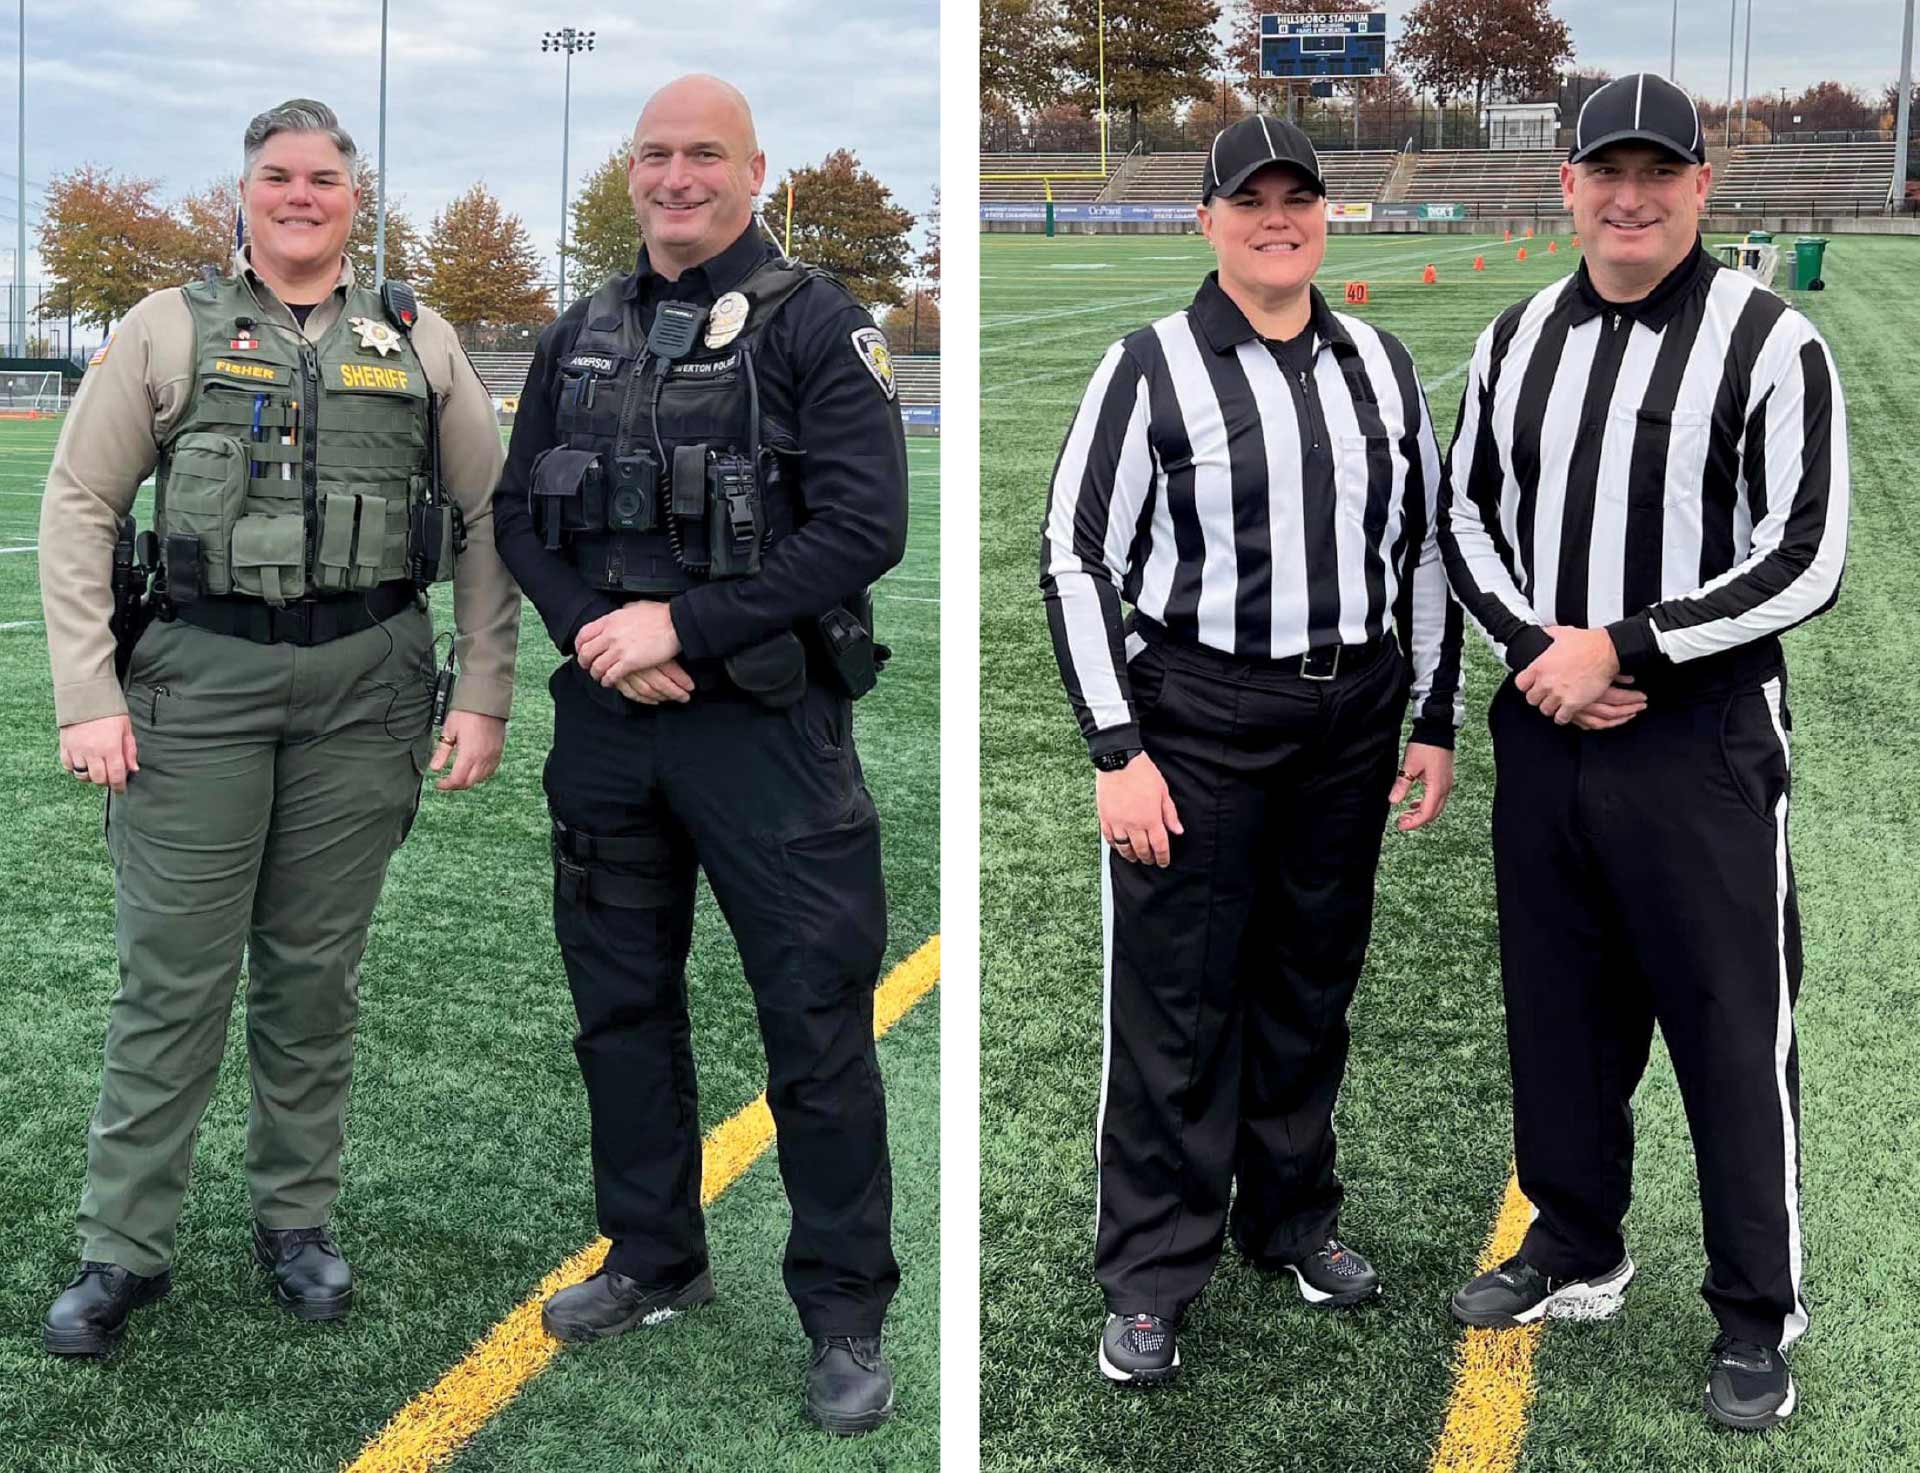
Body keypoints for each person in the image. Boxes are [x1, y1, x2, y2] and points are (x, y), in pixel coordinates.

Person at [37, 99, 520, 1357]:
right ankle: (123, 1247)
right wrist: (89, 693)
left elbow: (487, 517)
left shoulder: (418, 337)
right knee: (172, 982)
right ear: (243, 193)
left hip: (367, 689)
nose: (300, 196)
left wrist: (483, 688)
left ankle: (295, 1223)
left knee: (314, 980)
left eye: (323, 179)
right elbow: (82, 502)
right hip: (196, 686)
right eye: (276, 177)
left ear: (357, 199)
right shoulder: (168, 325)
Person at [490, 75, 908, 1435]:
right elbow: (517, 513)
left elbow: (864, 528)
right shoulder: (577, 333)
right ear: (632, 172)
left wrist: (685, 622)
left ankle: (843, 1310)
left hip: (766, 735)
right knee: (618, 1009)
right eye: (657, 154)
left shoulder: (819, 324)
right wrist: (599, 631)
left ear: (753, 171)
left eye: (705, 154)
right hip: (611, 728)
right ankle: (653, 1256)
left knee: (815, 1025)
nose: (678, 177)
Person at [1438, 74, 1849, 1432]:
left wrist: (1623, 646)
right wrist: (1537, 652)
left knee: (1732, 1028)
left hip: (1699, 740)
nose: (1630, 198)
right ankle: (1576, 1241)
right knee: (1558, 1012)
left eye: (1658, 173)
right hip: (1546, 725)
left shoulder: (1770, 342)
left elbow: (1806, 556)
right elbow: (1463, 517)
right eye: (1605, 173)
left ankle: (1755, 1312)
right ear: (1567, 185)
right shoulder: (1513, 340)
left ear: (1699, 185)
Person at [1040, 115, 1464, 1386]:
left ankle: (1291, 1218)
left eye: (1298, 199)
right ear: (1209, 220)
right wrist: (1117, 750)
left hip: (1354, 713)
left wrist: (1432, 716)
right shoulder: (1148, 368)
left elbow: (1425, 549)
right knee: (1179, 999)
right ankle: (1153, 1273)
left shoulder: (1382, 364)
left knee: (1310, 982)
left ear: (1326, 213)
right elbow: (1075, 557)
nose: (1277, 221)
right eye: (1251, 201)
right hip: (1203, 716)